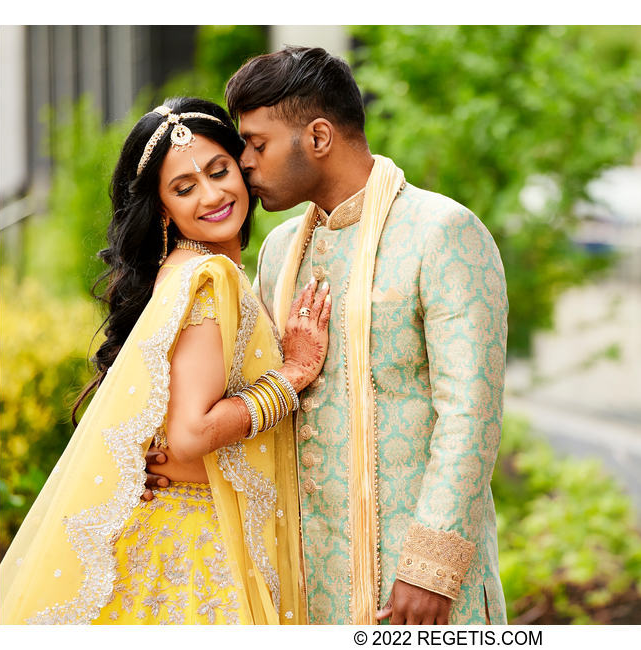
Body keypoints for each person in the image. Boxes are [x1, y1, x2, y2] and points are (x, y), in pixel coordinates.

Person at [146, 46, 509, 625]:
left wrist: (429, 568)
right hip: (301, 575)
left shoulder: (441, 233)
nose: (244, 164)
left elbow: (471, 414)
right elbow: (251, 393)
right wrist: (170, 466)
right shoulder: (281, 249)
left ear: (318, 137)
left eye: (257, 144)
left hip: (415, 583)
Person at [0, 97, 331, 624]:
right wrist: (292, 375)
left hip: (172, 529)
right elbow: (191, 434)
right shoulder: (208, 279)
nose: (213, 194)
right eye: (184, 188)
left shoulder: (183, 272)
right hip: (198, 550)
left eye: (220, 171)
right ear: (162, 209)